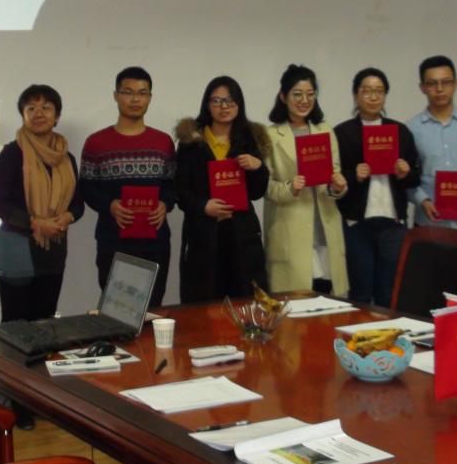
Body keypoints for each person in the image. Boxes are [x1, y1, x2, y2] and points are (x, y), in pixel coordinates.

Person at [0, 84, 83, 428]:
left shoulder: (66, 157)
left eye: (46, 107)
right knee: (17, 329)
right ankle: (18, 404)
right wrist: (36, 223)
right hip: (17, 249)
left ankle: (42, 398)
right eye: (31, 108)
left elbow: (78, 203)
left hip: (53, 249)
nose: (39, 113)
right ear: (23, 116)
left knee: (45, 328)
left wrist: (66, 217)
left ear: (57, 115)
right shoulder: (12, 154)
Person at [80, 66, 176, 307]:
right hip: (113, 241)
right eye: (128, 92)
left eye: (142, 93)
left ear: (150, 98)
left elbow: (173, 185)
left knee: (153, 311)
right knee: (116, 311)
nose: (135, 99)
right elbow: (86, 188)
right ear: (116, 95)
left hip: (155, 241)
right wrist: (109, 205)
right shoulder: (96, 142)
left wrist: (165, 204)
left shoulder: (164, 142)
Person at [175, 76, 270, 304]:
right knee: (203, 303)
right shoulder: (191, 142)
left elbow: (256, 192)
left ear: (239, 104)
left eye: (230, 100)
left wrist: (258, 168)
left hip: (242, 235)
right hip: (203, 235)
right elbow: (180, 192)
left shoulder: (250, 139)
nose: (224, 107)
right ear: (207, 104)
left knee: (245, 302)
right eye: (216, 101)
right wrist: (203, 206)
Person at [334, 67, 421, 307]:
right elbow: (334, 177)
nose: (373, 97)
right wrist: (354, 175)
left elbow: (415, 177)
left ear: (385, 95)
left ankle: (388, 332)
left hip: (393, 223)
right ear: (355, 95)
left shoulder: (400, 131)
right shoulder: (342, 133)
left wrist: (405, 172)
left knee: (388, 293)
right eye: (366, 91)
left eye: (379, 91)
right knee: (360, 293)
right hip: (356, 224)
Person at [262, 64, 349, 296]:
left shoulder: (325, 130)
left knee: (329, 300)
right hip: (291, 232)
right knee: (295, 305)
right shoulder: (271, 135)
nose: (304, 100)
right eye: (297, 94)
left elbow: (335, 176)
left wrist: (338, 186)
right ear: (283, 97)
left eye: (310, 94)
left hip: (325, 229)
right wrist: (290, 188)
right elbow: (265, 186)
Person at [407, 55, 457, 230]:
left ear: (456, 84)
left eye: (446, 82)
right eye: (432, 83)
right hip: (429, 223)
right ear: (422, 87)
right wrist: (422, 200)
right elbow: (405, 176)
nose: (440, 89)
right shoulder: (410, 129)